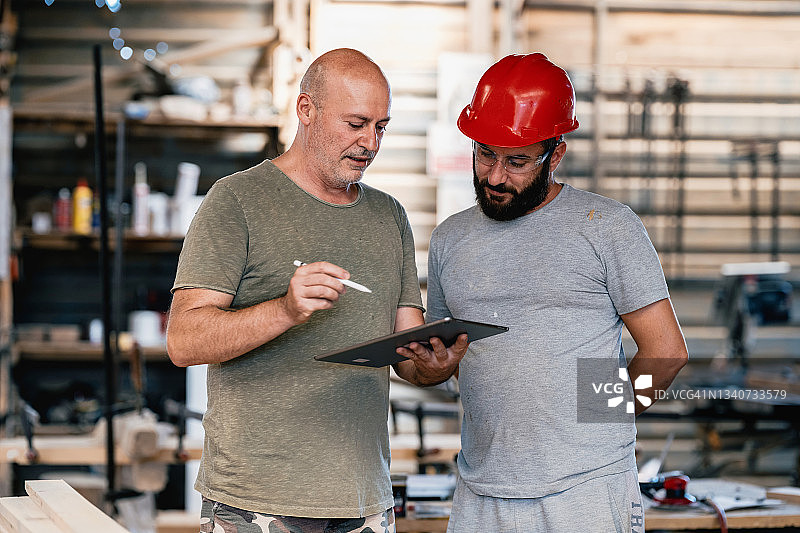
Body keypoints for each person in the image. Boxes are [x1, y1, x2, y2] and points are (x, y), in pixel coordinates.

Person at [166, 48, 467, 533]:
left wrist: (434, 366)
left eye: (381, 127)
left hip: (364, 500)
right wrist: (284, 310)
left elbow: (408, 352)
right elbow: (183, 341)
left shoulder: (389, 216)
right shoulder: (236, 201)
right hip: (255, 501)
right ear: (306, 110)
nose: (370, 142)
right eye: (356, 124)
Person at [404, 53, 689, 532]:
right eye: (485, 154)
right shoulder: (451, 238)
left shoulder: (607, 228)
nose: (495, 177)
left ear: (555, 154)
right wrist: (431, 370)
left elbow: (666, 351)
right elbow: (432, 360)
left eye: (516, 161)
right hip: (480, 493)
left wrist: (598, 421)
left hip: (585, 492)